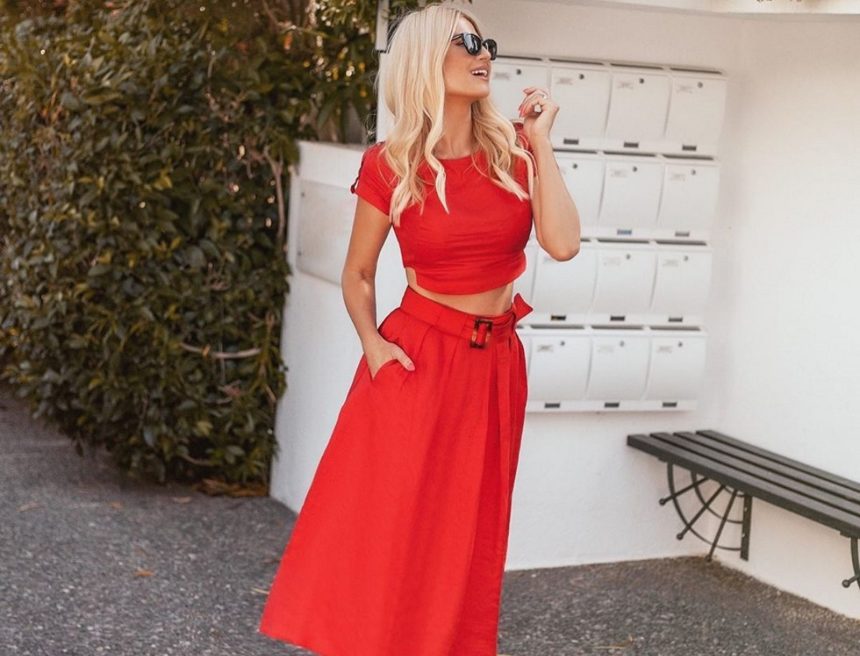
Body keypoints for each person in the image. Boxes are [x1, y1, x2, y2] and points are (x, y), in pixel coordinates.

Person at [258, 4, 580, 655]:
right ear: (426, 58)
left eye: (485, 42)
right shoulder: (391, 164)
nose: (482, 53)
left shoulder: (516, 154)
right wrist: (374, 345)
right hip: (419, 359)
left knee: (469, 535)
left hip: (495, 365)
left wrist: (542, 143)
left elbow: (563, 243)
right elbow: (358, 274)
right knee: (395, 531)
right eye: (465, 42)